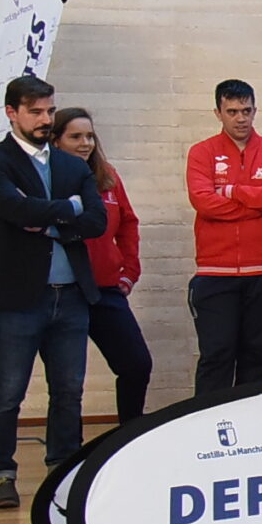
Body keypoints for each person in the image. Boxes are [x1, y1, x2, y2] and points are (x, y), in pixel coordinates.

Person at [0, 75, 107, 509]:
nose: (45, 119)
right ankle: (1, 473)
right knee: (8, 391)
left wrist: (47, 218)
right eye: (35, 112)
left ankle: (63, 469)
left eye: (49, 111)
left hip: (70, 295)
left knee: (68, 389)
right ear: (12, 113)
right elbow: (11, 209)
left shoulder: (70, 165)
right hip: (16, 296)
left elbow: (97, 222)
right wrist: (68, 211)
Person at [185, 78, 262, 394]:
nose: (241, 118)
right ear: (218, 112)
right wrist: (259, 200)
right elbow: (204, 202)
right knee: (216, 355)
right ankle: (209, 428)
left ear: (255, 110)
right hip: (215, 273)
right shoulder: (201, 153)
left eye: (246, 110)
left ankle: (252, 432)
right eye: (232, 111)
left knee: (257, 358)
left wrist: (232, 191)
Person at [52, 107, 153, 426]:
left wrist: (128, 271)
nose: (85, 143)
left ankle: (130, 435)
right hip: (65, 291)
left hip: (105, 289)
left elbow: (128, 224)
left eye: (90, 136)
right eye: (76, 136)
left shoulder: (106, 175)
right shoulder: (48, 179)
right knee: (66, 381)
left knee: (137, 364)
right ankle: (65, 453)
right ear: (56, 141)